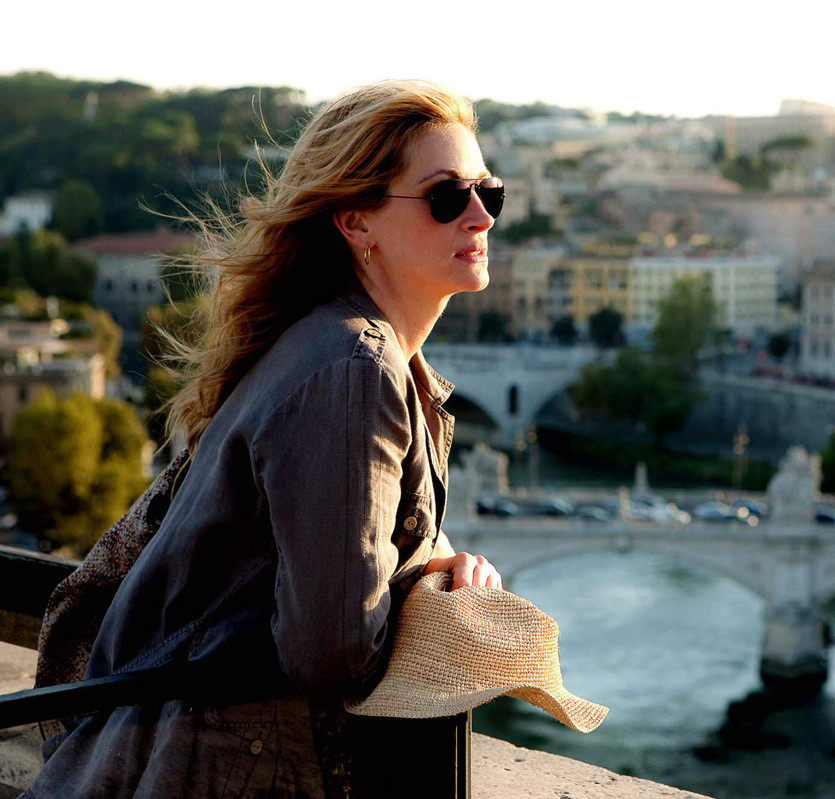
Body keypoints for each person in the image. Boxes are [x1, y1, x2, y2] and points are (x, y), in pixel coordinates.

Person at [24, 80, 504, 798]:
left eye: (489, 192)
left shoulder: (329, 346)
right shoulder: (354, 368)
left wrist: (432, 554)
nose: (480, 215)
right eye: (446, 196)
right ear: (356, 222)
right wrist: (437, 589)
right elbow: (333, 654)